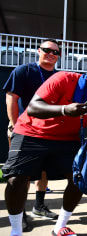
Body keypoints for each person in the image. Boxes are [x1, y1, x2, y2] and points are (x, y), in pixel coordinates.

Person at [3, 61, 87, 236]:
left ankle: (59, 226)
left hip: (67, 139)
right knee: (16, 179)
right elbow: (32, 108)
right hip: (32, 131)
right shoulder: (64, 78)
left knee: (80, 179)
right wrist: (63, 110)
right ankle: (15, 231)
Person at [2, 38, 61, 230]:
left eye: (56, 52)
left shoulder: (58, 76)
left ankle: (39, 206)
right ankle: (21, 212)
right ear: (38, 50)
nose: (51, 54)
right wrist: (13, 125)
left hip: (47, 132)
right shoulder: (23, 71)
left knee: (43, 172)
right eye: (47, 50)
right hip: (24, 130)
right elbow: (11, 98)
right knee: (21, 175)